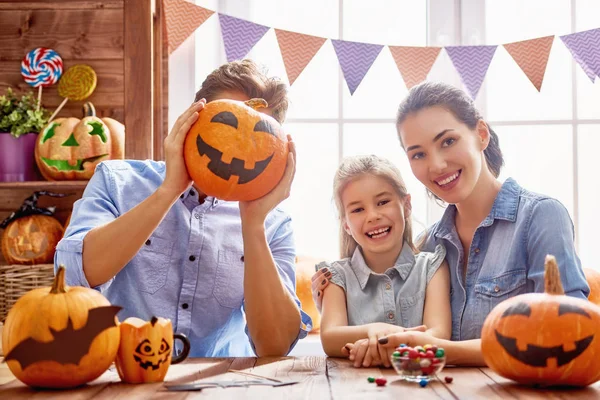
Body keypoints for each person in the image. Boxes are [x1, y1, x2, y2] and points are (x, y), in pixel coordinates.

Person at [313, 81, 589, 366]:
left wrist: (434, 348)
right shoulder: (429, 246)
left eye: (447, 141)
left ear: (481, 135)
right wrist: (335, 300)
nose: (437, 165)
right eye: (418, 154)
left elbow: (570, 335)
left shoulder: (540, 217)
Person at [55, 59, 312, 357]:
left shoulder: (274, 224)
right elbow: (74, 275)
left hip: (220, 387)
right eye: (226, 124)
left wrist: (253, 225)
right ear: (191, 119)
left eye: (257, 137)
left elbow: (274, 345)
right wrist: (169, 190)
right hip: (124, 380)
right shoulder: (116, 181)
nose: (235, 147)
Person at [319, 155, 451, 368]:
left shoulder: (432, 267)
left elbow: (439, 334)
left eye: (382, 202)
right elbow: (330, 337)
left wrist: (381, 343)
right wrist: (376, 330)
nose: (372, 216)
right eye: (357, 209)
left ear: (406, 206)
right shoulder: (336, 275)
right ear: (346, 225)